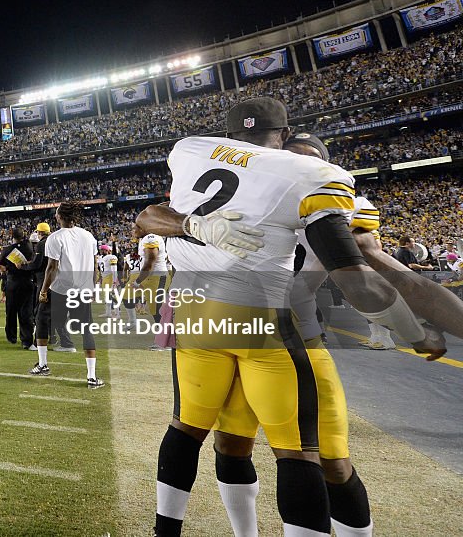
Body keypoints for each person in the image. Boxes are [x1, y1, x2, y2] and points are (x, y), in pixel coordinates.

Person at [136, 97, 443, 537]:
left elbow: (365, 271)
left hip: (297, 337)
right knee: (231, 444)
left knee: (331, 462)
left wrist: (409, 320)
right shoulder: (274, 181)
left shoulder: (340, 200)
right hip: (240, 326)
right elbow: (148, 215)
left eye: (304, 159)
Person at [31, 200, 105, 388]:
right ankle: (91, 376)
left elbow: (52, 268)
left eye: (56, 213)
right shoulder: (88, 236)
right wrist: (93, 287)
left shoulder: (55, 238)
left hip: (60, 290)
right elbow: (94, 266)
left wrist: (43, 290)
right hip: (81, 289)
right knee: (86, 330)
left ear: (60, 216)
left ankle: (43, 364)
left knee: (41, 321)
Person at [22, 221, 75, 351]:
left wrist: (24, 266)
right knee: (59, 314)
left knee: (40, 314)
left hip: (46, 281)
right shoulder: (58, 240)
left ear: (39, 233)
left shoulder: (42, 244)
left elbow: (38, 264)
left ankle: (38, 344)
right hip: (63, 281)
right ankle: (66, 343)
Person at [0, 228, 36, 349]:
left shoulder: (8, 249)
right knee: (26, 312)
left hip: (13, 283)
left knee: (11, 311)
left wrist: (7, 270)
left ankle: (11, 336)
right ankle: (26, 341)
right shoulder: (29, 247)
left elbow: (1, 265)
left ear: (12, 236)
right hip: (27, 281)